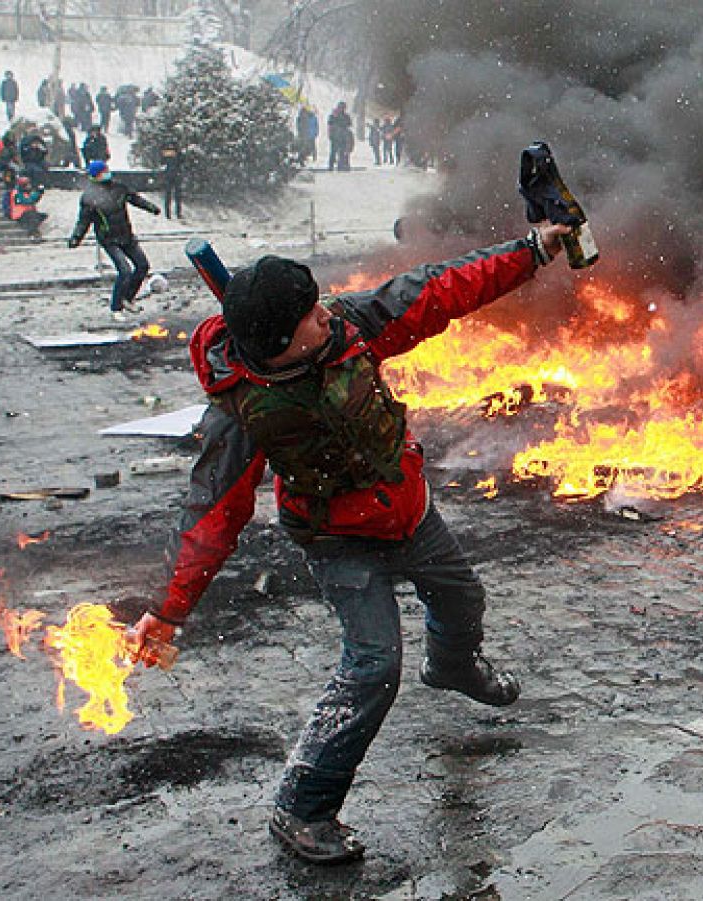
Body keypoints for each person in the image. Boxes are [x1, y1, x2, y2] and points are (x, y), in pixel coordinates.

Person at [123, 220, 574, 865]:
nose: (324, 318)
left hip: (410, 513)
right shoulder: (242, 412)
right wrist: (169, 609)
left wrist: (531, 251)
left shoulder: (349, 327)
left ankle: (450, 664)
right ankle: (303, 807)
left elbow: (441, 289)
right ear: (276, 345)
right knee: (372, 668)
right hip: (339, 542)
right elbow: (212, 514)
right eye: (307, 317)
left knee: (461, 601)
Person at [67, 160, 159, 320]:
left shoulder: (119, 188)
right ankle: (116, 308)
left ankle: (128, 298)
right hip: (109, 239)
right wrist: (76, 237)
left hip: (126, 235)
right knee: (124, 271)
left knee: (142, 266)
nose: (107, 172)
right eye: (103, 171)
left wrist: (151, 208)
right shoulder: (90, 196)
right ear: (95, 175)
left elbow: (135, 199)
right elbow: (83, 221)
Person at [327, 101, 352, 171]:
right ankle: (331, 166)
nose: (342, 109)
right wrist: (330, 135)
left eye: (343, 107)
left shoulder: (346, 116)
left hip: (343, 137)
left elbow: (349, 124)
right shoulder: (333, 115)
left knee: (342, 151)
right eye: (341, 107)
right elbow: (330, 125)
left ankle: (340, 165)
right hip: (335, 137)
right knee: (333, 152)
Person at [159, 144, 183, 219]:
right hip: (174, 175)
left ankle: (169, 214)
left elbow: (162, 162)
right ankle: (176, 214)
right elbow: (181, 161)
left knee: (169, 195)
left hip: (169, 175)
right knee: (175, 195)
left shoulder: (166, 152)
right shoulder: (177, 151)